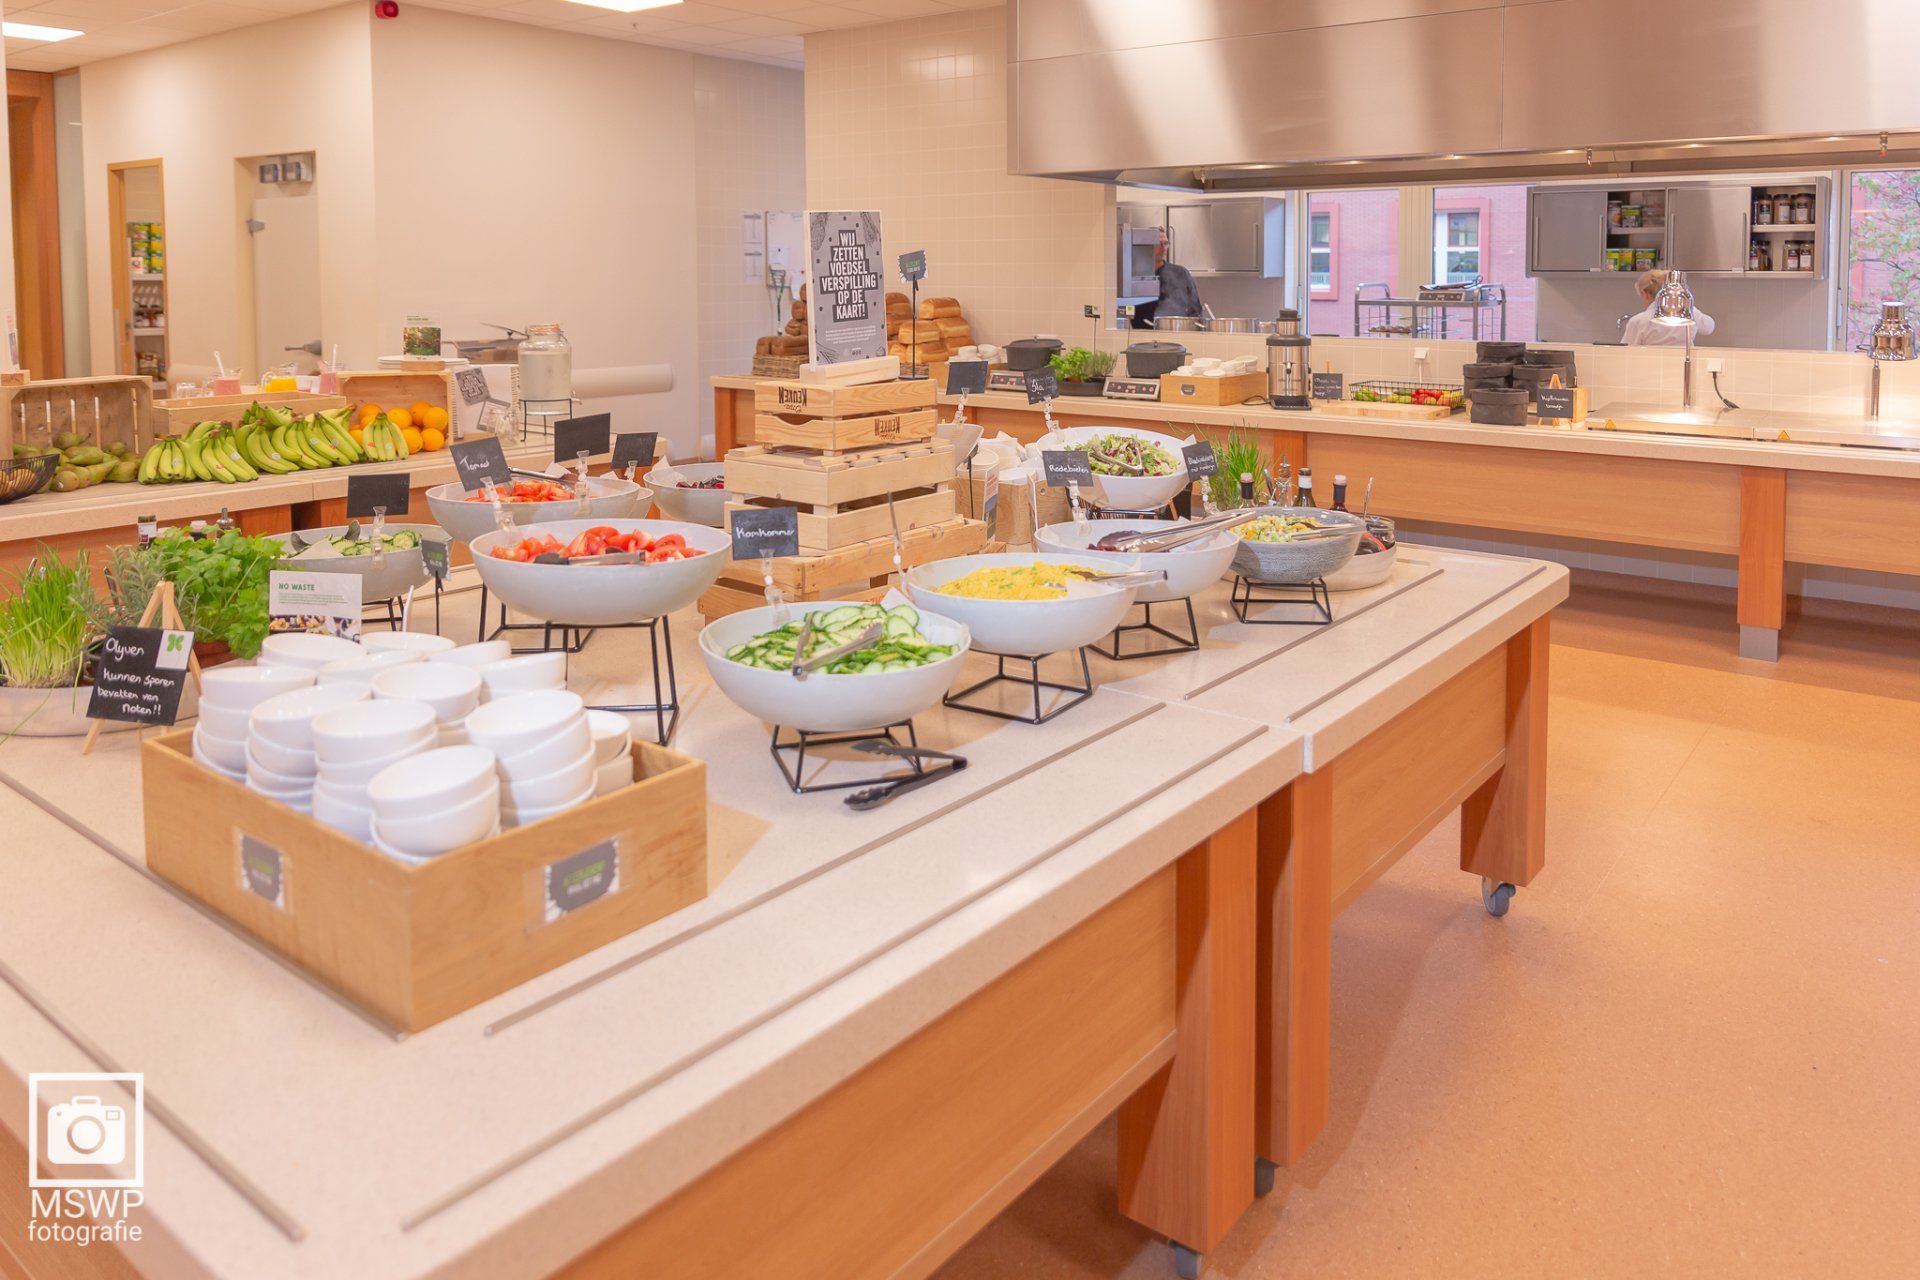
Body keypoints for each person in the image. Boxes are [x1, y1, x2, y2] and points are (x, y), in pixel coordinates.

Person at [1622, 268, 1715, 346]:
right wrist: (1689, 308)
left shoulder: (1638, 321)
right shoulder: (1688, 313)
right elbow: (1708, 328)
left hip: (1650, 362)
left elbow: (1626, 352)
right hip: (1682, 361)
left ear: (1645, 293)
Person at [1131, 233, 1203, 329]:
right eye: (1158, 243)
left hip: (1176, 332)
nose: (1163, 248)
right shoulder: (1136, 276)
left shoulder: (1180, 273)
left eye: (1165, 243)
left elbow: (1195, 309)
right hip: (1143, 333)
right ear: (1146, 247)